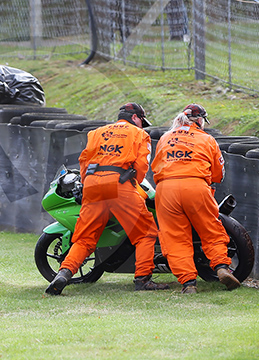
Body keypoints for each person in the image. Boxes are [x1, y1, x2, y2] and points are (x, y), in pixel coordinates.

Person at [45, 102, 169, 295]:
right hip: (119, 185)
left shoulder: (96, 133)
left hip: (93, 185)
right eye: (141, 121)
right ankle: (143, 279)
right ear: (135, 118)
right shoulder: (140, 134)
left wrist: (88, 186)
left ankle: (63, 273)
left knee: (85, 239)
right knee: (145, 233)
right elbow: (142, 166)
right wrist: (131, 186)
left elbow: (84, 162)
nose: (142, 125)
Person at [149, 103, 239, 294]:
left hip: (166, 189)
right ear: (200, 121)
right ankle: (221, 267)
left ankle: (188, 282)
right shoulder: (207, 139)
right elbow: (218, 174)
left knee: (174, 237)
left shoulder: (165, 138)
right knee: (211, 230)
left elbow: (155, 166)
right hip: (196, 186)